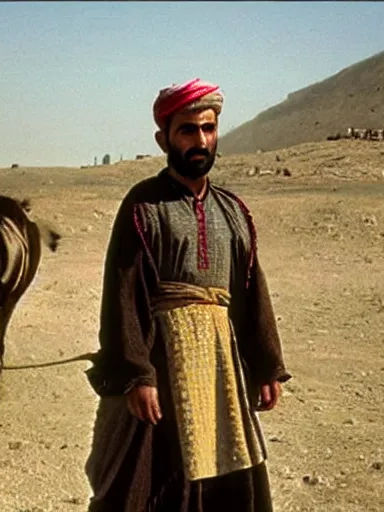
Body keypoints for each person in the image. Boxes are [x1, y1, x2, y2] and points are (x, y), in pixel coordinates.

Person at [84, 78, 291, 512]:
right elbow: (124, 295)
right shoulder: (144, 206)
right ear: (164, 138)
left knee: (227, 471)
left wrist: (267, 365)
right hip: (162, 362)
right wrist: (138, 375)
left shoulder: (233, 211)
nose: (200, 140)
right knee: (153, 478)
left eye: (208, 129)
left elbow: (251, 293)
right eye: (187, 130)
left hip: (222, 366)